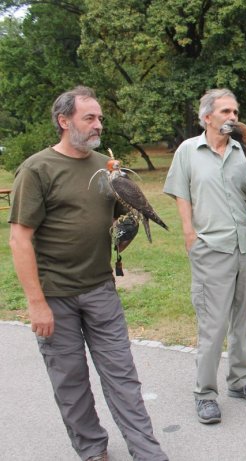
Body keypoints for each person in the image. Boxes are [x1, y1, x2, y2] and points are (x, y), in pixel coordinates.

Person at [8, 86, 167, 461]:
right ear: (64, 122)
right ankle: (93, 450)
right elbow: (19, 239)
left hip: (100, 289)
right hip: (55, 296)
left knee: (123, 377)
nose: (98, 125)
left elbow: (115, 218)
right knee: (71, 382)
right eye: (89, 118)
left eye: (100, 118)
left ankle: (148, 453)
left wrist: (127, 221)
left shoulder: (105, 167)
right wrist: (37, 305)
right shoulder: (37, 169)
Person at [163, 88, 246, 425]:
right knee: (213, 325)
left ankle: (240, 381)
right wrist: (188, 234)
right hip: (211, 248)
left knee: (242, 320)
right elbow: (181, 193)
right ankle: (205, 394)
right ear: (207, 117)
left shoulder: (245, 152)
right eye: (226, 111)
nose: (233, 117)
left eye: (235, 112)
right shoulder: (188, 151)